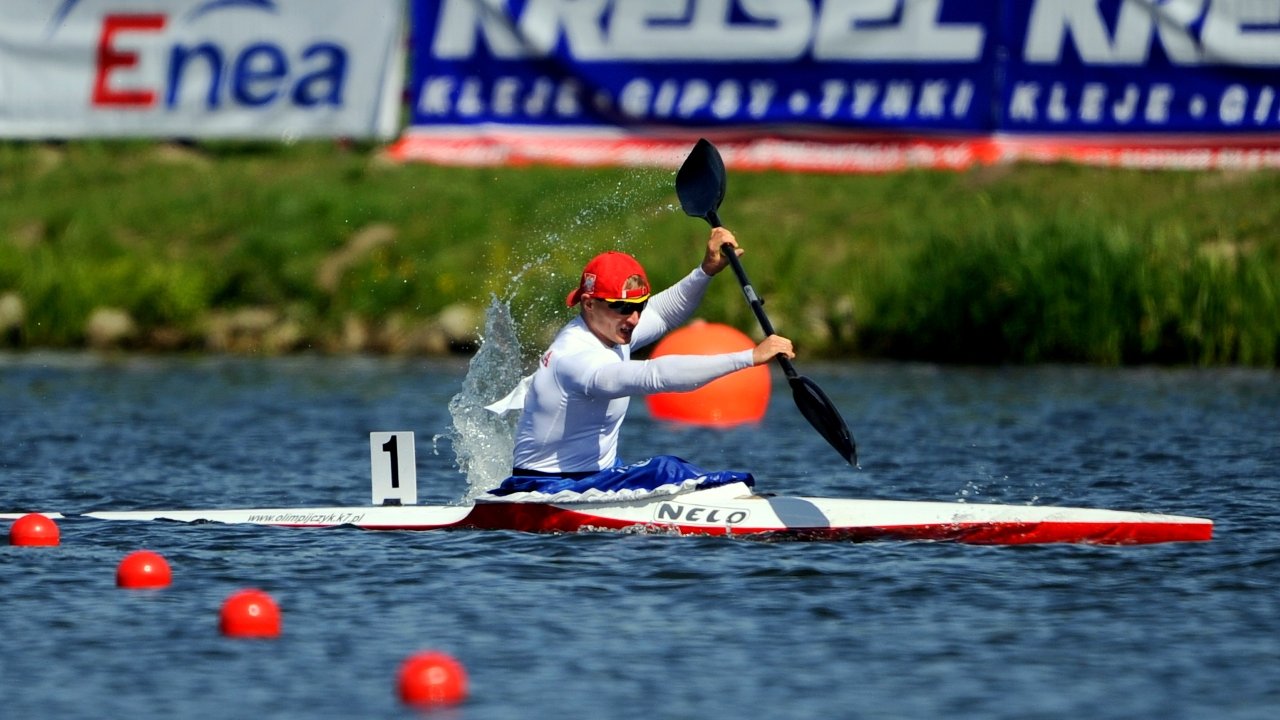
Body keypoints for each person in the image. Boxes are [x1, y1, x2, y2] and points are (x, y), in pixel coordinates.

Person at [507, 227, 794, 479]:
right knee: (671, 471)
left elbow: (664, 312)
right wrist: (748, 358)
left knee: (675, 470)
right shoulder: (576, 360)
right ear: (588, 303)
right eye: (622, 307)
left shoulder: (607, 330)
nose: (633, 319)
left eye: (638, 306)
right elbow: (655, 375)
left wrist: (705, 270)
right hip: (549, 488)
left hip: (593, 478)